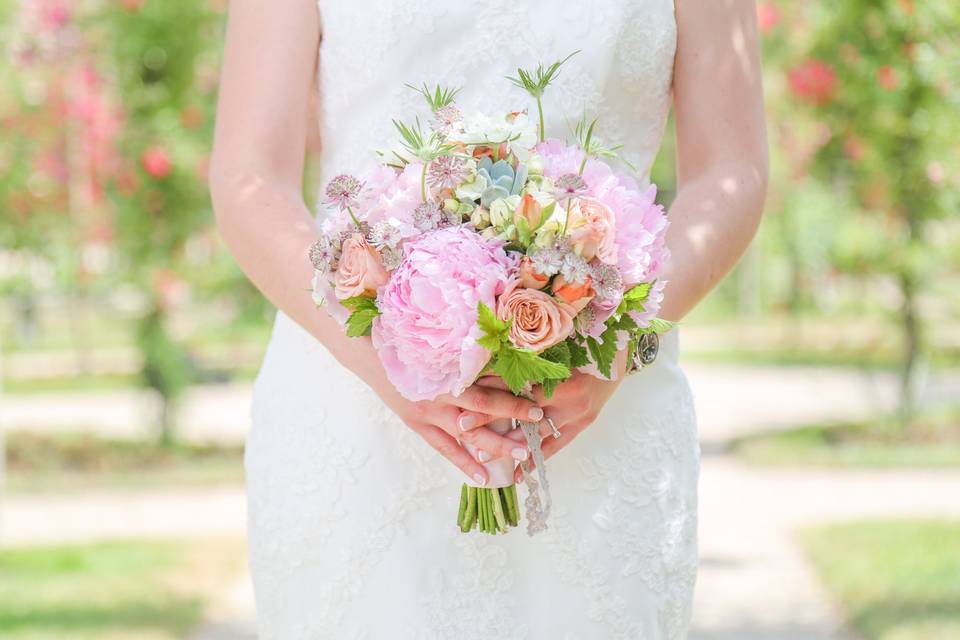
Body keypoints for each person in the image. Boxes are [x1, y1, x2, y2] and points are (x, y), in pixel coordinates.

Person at [209, 1, 767, 637]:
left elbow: (731, 171)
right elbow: (249, 179)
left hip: (600, 403)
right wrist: (385, 357)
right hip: (353, 404)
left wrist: (621, 343)